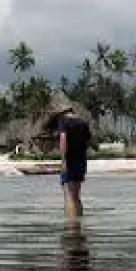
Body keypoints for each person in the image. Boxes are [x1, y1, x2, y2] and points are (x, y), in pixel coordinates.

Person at [50, 91, 92, 219]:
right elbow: (87, 141)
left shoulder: (63, 121)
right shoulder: (83, 123)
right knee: (76, 196)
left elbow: (63, 140)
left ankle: (72, 227)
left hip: (70, 160)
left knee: (69, 195)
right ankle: (79, 223)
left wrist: (63, 161)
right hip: (81, 160)